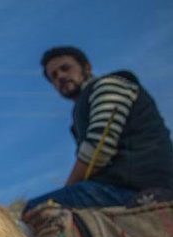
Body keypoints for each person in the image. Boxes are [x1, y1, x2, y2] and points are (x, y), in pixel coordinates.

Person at [23, 46, 173, 213]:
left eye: (65, 68)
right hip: (121, 185)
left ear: (87, 67)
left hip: (136, 186)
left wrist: (67, 190)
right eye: (54, 76)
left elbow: (99, 148)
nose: (61, 77)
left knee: (33, 210)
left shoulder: (109, 85)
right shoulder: (84, 108)